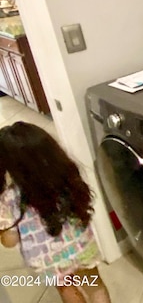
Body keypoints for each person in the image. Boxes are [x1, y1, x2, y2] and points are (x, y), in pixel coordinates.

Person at [0, 121, 111, 303]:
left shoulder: (10, 199)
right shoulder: (63, 176)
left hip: (48, 258)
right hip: (81, 245)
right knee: (94, 285)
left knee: (67, 289)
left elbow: (10, 241)